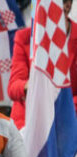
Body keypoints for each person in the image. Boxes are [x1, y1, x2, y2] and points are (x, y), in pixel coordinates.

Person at [7, 0, 77, 129]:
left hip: (69, 120)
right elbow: (13, 89)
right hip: (28, 121)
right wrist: (31, 86)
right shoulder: (24, 37)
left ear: (67, 6)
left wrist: (58, 105)